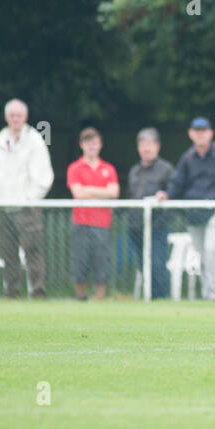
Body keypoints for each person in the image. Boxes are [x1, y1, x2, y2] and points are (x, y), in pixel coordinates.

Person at [0, 98, 54, 299]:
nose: (15, 119)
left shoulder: (35, 140)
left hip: (26, 208)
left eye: (19, 115)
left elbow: (44, 177)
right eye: (12, 115)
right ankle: (11, 294)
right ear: (6, 117)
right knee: (8, 255)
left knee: (33, 253)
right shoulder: (0, 140)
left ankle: (38, 293)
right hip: (3, 208)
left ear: (25, 117)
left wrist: (28, 200)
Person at [168, 117, 215, 300]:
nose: (200, 134)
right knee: (202, 254)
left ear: (210, 133)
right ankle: (208, 293)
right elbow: (177, 184)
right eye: (196, 131)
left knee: (210, 250)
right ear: (191, 134)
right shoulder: (188, 157)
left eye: (203, 131)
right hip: (194, 215)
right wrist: (166, 195)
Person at [67, 127, 119, 300]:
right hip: (80, 223)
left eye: (95, 143)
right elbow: (78, 194)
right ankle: (81, 298)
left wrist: (88, 190)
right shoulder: (75, 168)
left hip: (103, 223)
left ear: (100, 145)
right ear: (82, 145)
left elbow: (114, 192)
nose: (91, 146)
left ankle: (99, 300)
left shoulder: (108, 168)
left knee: (101, 262)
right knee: (79, 262)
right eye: (88, 143)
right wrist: (100, 193)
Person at [127, 127, 173, 300]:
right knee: (143, 265)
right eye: (142, 144)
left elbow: (173, 194)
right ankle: (150, 297)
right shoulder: (134, 171)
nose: (146, 148)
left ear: (157, 146)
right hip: (136, 227)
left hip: (157, 226)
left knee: (158, 264)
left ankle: (162, 298)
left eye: (150, 144)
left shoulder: (166, 169)